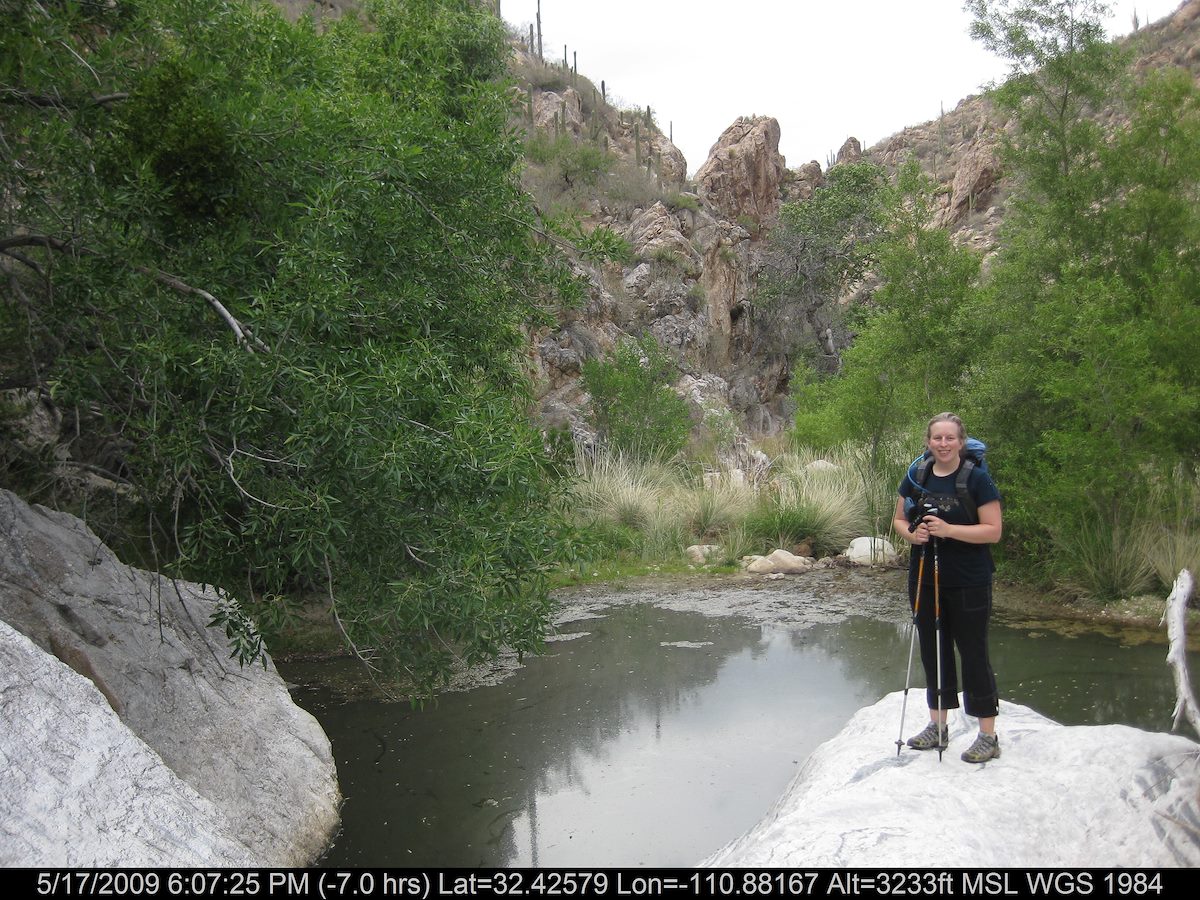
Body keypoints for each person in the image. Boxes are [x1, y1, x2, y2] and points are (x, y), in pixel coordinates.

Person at [892, 412, 1003, 763]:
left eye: (949, 438)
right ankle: (938, 726)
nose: (943, 444)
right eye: (937, 438)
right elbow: (898, 519)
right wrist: (914, 533)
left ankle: (988, 735)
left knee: (973, 654)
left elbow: (993, 531)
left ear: (961, 441)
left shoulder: (977, 480)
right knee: (932, 649)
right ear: (928, 441)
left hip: (969, 580)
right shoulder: (916, 475)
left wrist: (949, 530)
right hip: (925, 576)